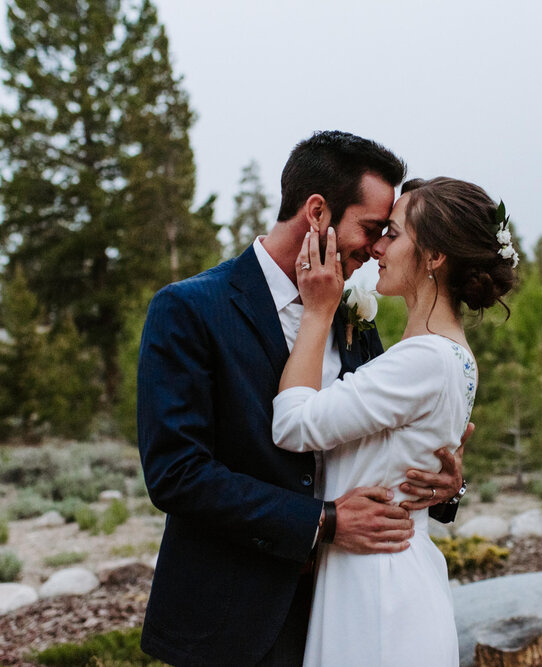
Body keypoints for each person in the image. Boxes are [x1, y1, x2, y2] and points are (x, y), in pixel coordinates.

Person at [136, 131, 468, 666]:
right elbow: (176, 473)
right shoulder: (190, 309)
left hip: (344, 611)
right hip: (234, 615)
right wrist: (325, 521)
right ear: (317, 212)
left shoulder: (354, 314)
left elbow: (371, 439)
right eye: (371, 228)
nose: (377, 246)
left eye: (388, 232)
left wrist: (444, 483)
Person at [271, 177, 517, 666]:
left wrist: (319, 313)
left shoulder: (423, 359)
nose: (379, 245)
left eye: (395, 234)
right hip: (378, 576)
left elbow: (293, 426)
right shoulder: (448, 355)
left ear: (434, 256)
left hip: (377, 594)